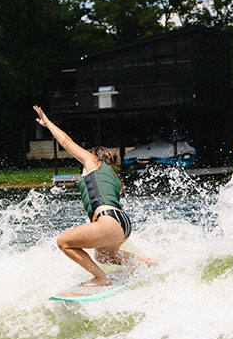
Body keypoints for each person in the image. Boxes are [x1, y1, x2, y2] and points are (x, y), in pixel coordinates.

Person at [33, 105, 156, 286]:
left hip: (108, 221)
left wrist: (48, 123)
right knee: (105, 256)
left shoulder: (92, 162)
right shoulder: (113, 175)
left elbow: (66, 141)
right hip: (123, 224)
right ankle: (147, 263)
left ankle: (101, 278)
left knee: (64, 242)